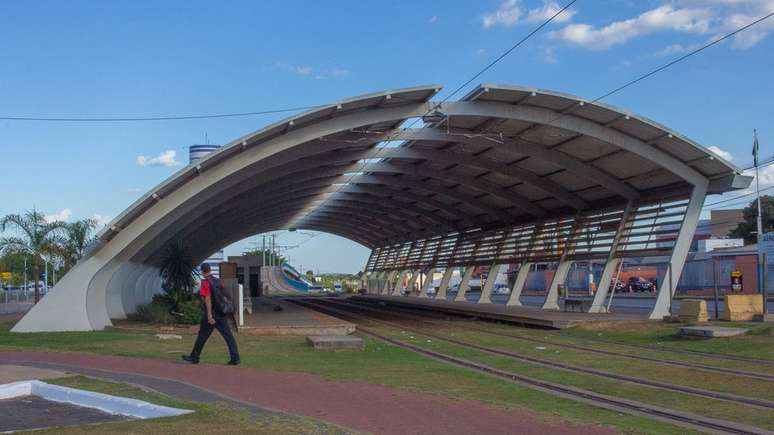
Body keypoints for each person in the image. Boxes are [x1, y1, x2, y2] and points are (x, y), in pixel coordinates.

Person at [182, 263, 240, 365]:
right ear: (210, 270)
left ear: (202, 272)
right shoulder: (218, 281)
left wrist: (209, 315)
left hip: (212, 314)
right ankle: (235, 358)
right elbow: (225, 296)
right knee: (228, 336)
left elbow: (208, 300)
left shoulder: (205, 283)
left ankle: (194, 357)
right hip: (221, 314)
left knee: (202, 336)